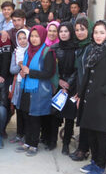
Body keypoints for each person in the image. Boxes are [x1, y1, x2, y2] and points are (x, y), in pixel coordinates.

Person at [78, 20, 106, 174]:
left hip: (104, 102)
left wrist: (104, 91)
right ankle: (94, 162)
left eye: (102, 32)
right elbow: (87, 75)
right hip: (89, 100)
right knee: (90, 133)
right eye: (96, 32)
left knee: (101, 136)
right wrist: (80, 94)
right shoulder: (93, 50)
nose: (98, 36)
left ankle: (100, 166)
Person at [15, 25, 56, 157]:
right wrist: (23, 72)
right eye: (31, 36)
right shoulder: (28, 51)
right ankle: (27, 142)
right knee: (26, 115)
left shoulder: (47, 52)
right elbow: (26, 68)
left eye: (36, 36)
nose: (33, 39)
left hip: (39, 90)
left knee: (35, 118)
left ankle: (34, 144)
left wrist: (30, 72)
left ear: (42, 36)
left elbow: (49, 73)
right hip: (27, 87)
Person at [50, 22, 78, 155]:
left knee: (69, 117)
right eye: (61, 31)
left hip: (72, 86)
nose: (63, 34)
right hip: (57, 85)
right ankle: (52, 140)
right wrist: (59, 80)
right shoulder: (55, 48)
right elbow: (51, 68)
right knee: (54, 114)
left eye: (66, 31)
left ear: (71, 32)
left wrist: (68, 84)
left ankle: (66, 143)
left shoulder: (77, 48)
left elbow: (78, 69)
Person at [69, 18, 92, 161]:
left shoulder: (91, 47)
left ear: (89, 30)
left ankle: (84, 150)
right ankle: (81, 149)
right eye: (77, 30)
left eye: (82, 29)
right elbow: (79, 71)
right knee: (83, 120)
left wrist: (84, 91)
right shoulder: (80, 47)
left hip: (89, 90)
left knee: (87, 120)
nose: (79, 32)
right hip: (81, 88)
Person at [9, 29, 30, 144]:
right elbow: (12, 70)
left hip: (27, 84)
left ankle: (26, 135)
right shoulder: (16, 51)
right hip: (18, 83)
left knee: (26, 110)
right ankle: (19, 134)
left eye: (24, 38)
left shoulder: (31, 51)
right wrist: (21, 65)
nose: (22, 41)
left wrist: (22, 66)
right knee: (19, 110)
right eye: (19, 38)